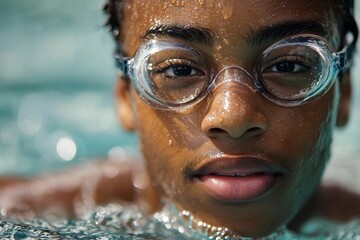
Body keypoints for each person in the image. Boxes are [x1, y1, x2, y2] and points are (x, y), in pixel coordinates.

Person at [1, 0, 360, 238]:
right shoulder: (20, 214)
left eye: (288, 65)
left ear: (343, 90)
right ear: (126, 96)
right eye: (180, 69)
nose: (232, 116)